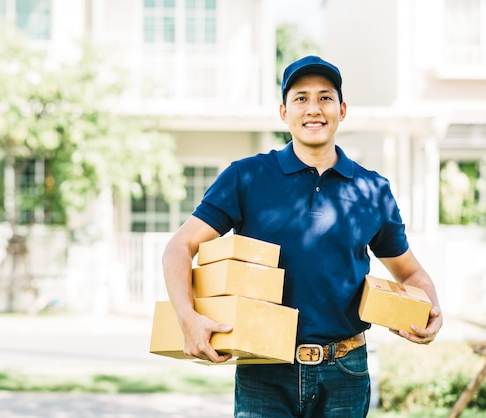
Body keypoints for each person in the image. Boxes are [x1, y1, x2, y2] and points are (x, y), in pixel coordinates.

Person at [161, 55, 443, 417]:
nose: (314, 109)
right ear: (283, 112)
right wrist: (187, 317)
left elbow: (411, 273)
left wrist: (431, 309)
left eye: (325, 98)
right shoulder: (246, 177)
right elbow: (178, 248)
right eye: (301, 98)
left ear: (342, 110)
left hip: (345, 371)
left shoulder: (372, 190)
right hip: (263, 368)